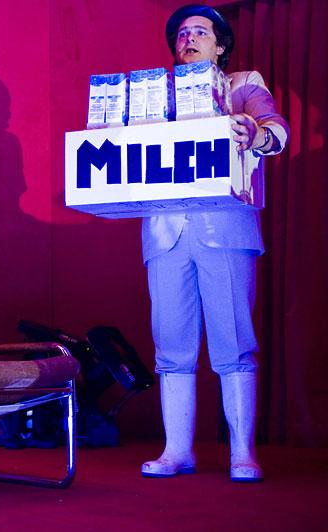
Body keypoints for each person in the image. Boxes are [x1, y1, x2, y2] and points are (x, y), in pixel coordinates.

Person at [141, 4, 289, 482]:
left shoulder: (243, 83)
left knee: (234, 340)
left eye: (200, 32)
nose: (188, 38)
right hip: (165, 232)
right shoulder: (152, 92)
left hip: (225, 229)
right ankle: (177, 450)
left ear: (220, 46)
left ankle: (242, 452)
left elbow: (277, 130)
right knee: (171, 343)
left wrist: (256, 133)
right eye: (182, 33)